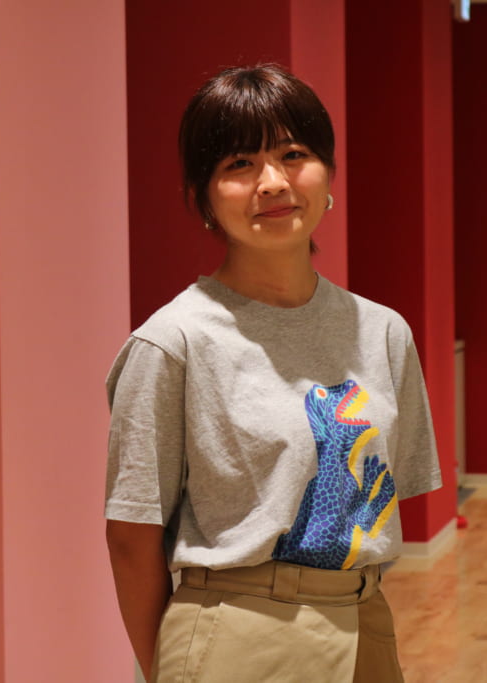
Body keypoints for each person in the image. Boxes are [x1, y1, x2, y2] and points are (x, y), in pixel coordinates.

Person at [105, 64, 442, 683]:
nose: (273, 182)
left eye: (293, 155)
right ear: (203, 196)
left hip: (366, 623)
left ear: (328, 174)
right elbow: (130, 537)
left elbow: (376, 501)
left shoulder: (383, 331)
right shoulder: (174, 342)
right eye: (240, 164)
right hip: (237, 635)